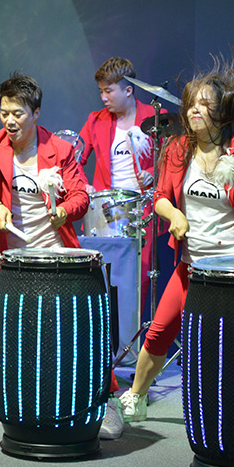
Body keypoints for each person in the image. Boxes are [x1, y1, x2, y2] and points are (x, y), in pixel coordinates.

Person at [0, 72, 126, 440]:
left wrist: (64, 211)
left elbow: (81, 196)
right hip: (11, 256)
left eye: (18, 113)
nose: (10, 121)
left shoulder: (59, 149)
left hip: (55, 255)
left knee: (82, 330)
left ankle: (107, 400)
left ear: (36, 113)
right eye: (4, 113)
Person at [119, 52, 234, 422]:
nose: (194, 110)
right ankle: (136, 398)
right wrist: (174, 215)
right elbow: (160, 198)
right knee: (159, 331)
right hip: (191, 266)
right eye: (191, 104)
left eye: (204, 105)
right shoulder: (177, 149)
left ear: (221, 113)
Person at [78, 57, 164, 318]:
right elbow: (73, 159)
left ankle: (133, 334)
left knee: (141, 277)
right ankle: (106, 336)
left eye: (108, 91)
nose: (103, 98)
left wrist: (153, 173)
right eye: (100, 91)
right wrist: (83, 185)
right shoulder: (95, 121)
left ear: (128, 90)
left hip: (142, 210)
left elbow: (173, 162)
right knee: (103, 276)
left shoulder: (155, 118)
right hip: (107, 210)